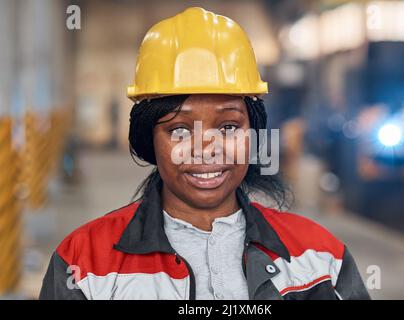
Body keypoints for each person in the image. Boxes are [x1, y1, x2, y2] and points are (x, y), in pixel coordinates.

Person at [39, 7, 370, 300]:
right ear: (148, 140)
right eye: (179, 130)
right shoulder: (83, 263)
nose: (206, 148)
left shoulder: (321, 257)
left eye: (228, 127)